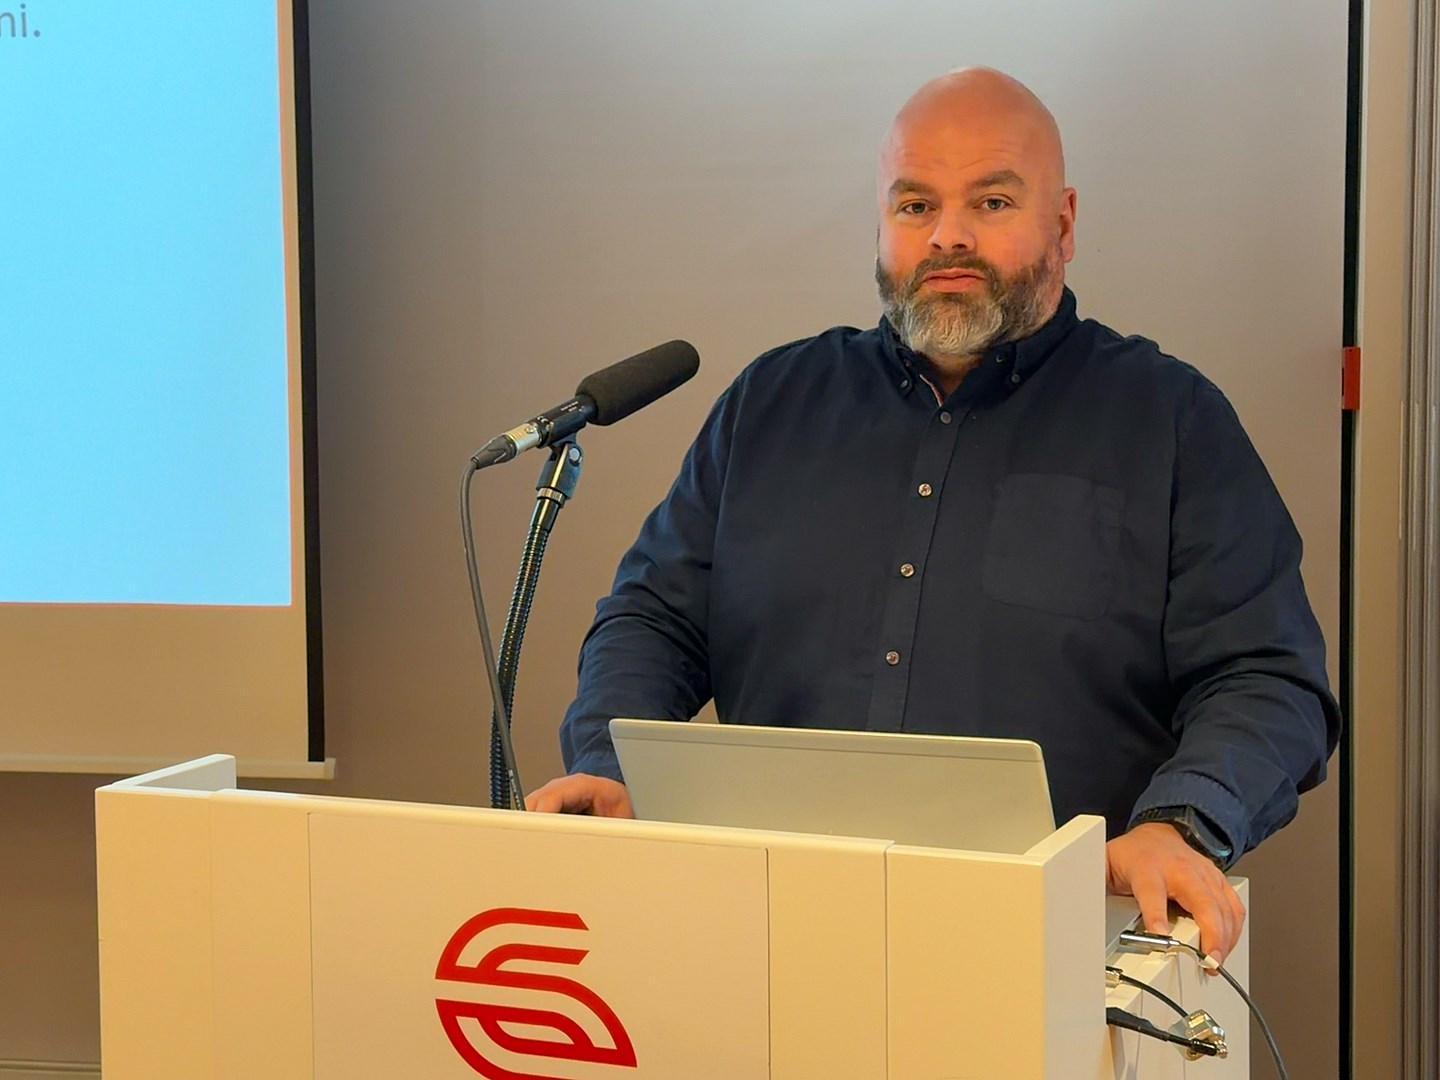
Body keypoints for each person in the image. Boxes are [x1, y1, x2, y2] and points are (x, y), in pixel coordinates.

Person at [525, 67, 1340, 968]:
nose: (948, 235)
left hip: (1056, 948)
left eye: (992, 201)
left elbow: (1267, 678)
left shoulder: (1172, 422)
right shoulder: (770, 404)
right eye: (915, 205)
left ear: (1064, 223)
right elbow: (653, 621)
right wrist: (611, 767)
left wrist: (1179, 823)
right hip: (767, 933)